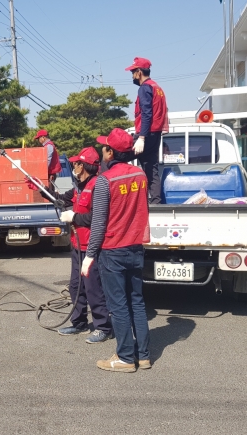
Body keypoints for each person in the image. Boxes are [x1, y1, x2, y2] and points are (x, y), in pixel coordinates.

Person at [25, 147, 113, 343]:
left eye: (76, 163)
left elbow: (97, 217)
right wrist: (40, 187)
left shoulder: (96, 186)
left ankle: (103, 327)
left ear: (83, 166)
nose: (73, 166)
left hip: (92, 247)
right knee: (75, 287)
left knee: (93, 288)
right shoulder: (78, 188)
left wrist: (74, 217)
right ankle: (79, 323)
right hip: (77, 245)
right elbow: (59, 199)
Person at [82, 128, 151, 372]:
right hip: (136, 247)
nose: (102, 151)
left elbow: (99, 222)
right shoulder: (140, 175)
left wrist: (89, 255)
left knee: (118, 305)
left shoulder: (105, 180)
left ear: (110, 152)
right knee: (137, 302)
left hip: (113, 250)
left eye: (104, 147)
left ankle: (124, 358)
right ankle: (143, 355)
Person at [125, 57, 168, 204]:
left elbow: (146, 113)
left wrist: (141, 137)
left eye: (133, 72)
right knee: (151, 169)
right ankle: (156, 202)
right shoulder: (157, 87)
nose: (132, 75)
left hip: (146, 134)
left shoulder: (144, 88)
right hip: (156, 134)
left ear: (139, 72)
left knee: (114, 156)